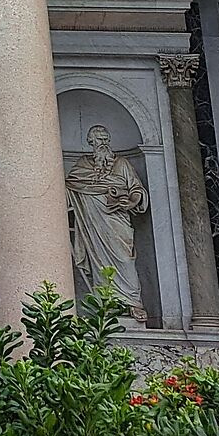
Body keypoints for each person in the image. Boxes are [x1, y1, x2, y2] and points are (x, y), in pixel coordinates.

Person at [66, 124, 150, 320]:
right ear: (90, 142)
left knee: (125, 259)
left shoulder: (122, 164)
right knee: (99, 264)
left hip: (117, 222)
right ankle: (106, 305)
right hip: (93, 225)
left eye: (105, 139)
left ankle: (132, 302)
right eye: (99, 140)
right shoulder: (82, 166)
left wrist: (130, 201)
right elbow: (69, 187)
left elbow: (137, 189)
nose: (103, 143)